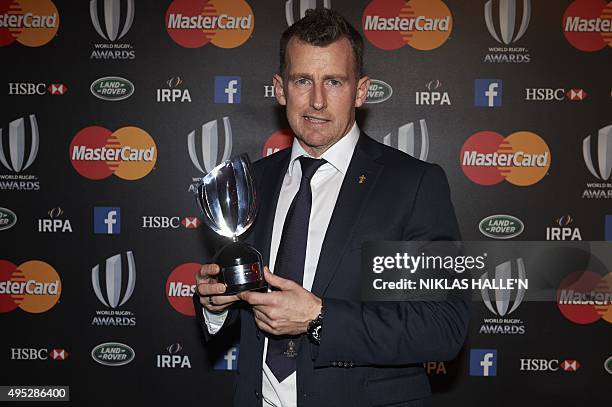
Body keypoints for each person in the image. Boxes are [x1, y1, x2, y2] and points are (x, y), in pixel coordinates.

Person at [194, 8, 469, 407]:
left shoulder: (414, 184)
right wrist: (215, 305)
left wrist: (318, 319)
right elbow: (239, 300)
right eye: (302, 80)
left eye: (334, 82)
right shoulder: (252, 182)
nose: (317, 101)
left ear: (360, 91)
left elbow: (444, 327)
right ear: (280, 88)